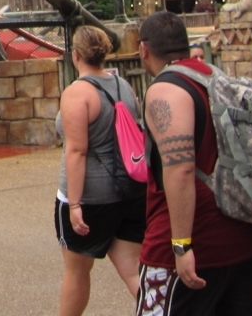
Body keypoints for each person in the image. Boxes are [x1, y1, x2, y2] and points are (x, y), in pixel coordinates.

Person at [136, 11, 252, 316]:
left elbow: (181, 168)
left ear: (143, 49)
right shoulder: (216, 77)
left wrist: (181, 245)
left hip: (192, 244)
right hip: (242, 236)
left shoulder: (166, 90)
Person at [55, 26, 146, 316]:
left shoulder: (77, 93)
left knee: (77, 271)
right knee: (133, 270)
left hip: (91, 196)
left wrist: (74, 204)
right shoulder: (124, 86)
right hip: (127, 191)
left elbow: (77, 151)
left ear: (76, 55)